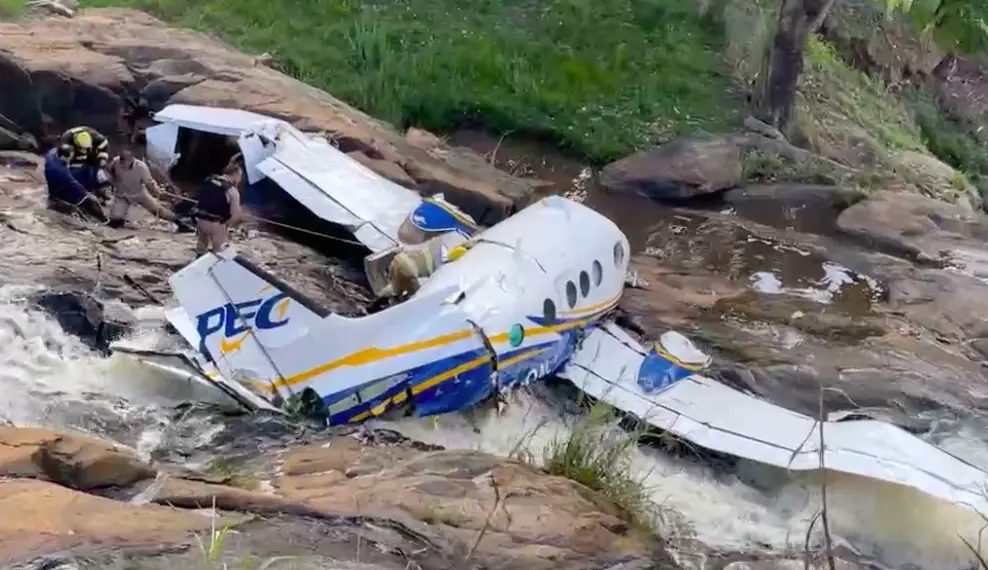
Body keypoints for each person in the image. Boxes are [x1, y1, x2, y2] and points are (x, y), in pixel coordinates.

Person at [105, 149, 191, 231]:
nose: (123, 163)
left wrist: (156, 189)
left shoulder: (141, 167)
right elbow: (108, 171)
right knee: (115, 218)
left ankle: (179, 223)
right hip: (122, 195)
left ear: (132, 159)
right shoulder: (115, 162)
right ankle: (122, 219)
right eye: (122, 160)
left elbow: (149, 182)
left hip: (139, 193)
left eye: (126, 161)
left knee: (158, 210)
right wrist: (113, 183)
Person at [43, 147, 109, 223]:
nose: (71, 159)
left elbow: (53, 149)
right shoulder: (61, 171)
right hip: (63, 190)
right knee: (90, 201)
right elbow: (74, 184)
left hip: (53, 187)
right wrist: (87, 194)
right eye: (70, 157)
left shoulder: (51, 155)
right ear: (63, 157)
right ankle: (104, 221)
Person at [195, 164, 244, 255]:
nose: (240, 180)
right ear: (236, 174)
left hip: (200, 220)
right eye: (240, 176)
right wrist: (226, 225)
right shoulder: (232, 191)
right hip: (215, 224)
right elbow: (235, 216)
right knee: (221, 252)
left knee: (201, 248)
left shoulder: (208, 180)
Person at [57, 126, 111, 198]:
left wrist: (103, 158)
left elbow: (104, 146)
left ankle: (103, 188)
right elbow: (63, 160)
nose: (84, 151)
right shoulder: (66, 141)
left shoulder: (97, 138)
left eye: (85, 149)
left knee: (97, 167)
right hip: (73, 155)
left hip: (91, 151)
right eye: (82, 148)